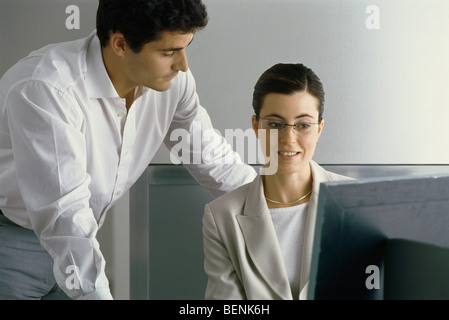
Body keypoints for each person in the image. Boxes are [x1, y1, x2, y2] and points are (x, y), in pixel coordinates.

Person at [0, 0, 256, 300]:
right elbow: (64, 215)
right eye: (168, 52)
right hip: (12, 245)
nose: (182, 65)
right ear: (120, 43)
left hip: (80, 238)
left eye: (185, 48)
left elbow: (211, 157)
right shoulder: (48, 90)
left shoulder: (174, 83)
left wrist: (276, 214)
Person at [202, 63, 353, 300]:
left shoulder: (356, 203)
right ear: (256, 126)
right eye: (275, 124)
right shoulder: (222, 217)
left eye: (303, 125)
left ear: (319, 129)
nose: (288, 139)